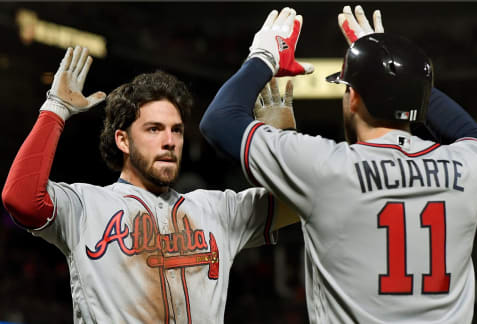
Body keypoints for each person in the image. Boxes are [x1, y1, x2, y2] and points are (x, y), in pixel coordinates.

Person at [200, 6, 477, 323]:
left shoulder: (325, 167)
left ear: (355, 98)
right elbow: (469, 131)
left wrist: (263, 57)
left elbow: (219, 120)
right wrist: (401, 80)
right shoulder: (468, 166)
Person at [1, 45, 300, 323]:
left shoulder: (216, 210)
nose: (169, 142)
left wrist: (275, 146)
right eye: (154, 129)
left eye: (177, 130)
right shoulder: (85, 206)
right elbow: (21, 198)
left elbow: (303, 202)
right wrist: (55, 110)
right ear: (123, 140)